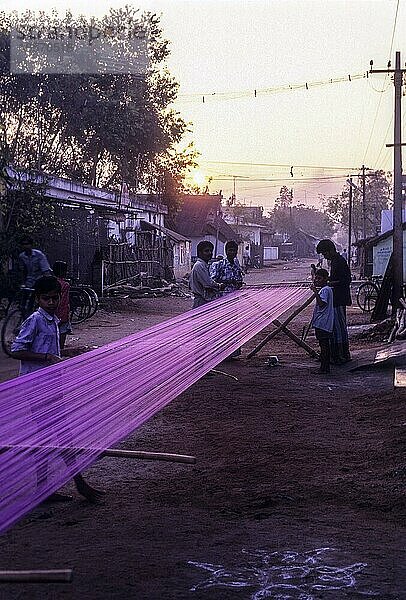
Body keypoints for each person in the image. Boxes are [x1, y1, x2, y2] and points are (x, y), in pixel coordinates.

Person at [11, 276, 103, 503]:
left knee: (56, 436)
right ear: (37, 299)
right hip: (36, 386)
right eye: (46, 299)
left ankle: (50, 488)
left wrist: (71, 352)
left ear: (60, 297)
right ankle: (76, 484)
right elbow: (16, 350)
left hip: (51, 385)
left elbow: (53, 351)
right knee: (56, 436)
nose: (51, 302)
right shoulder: (35, 320)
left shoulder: (53, 320)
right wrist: (46, 357)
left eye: (54, 298)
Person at [316, 239, 352, 364]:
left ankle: (340, 355)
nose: (325, 257)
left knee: (338, 327)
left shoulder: (339, 261)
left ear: (331, 250)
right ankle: (339, 354)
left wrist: (328, 283)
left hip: (339, 298)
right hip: (336, 298)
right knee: (337, 327)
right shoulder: (335, 261)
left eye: (325, 254)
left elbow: (346, 280)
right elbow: (337, 278)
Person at [210, 240, 244, 358]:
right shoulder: (219, 265)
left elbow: (239, 277)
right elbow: (213, 281)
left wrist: (239, 283)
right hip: (222, 299)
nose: (232, 253)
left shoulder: (236, 264)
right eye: (230, 250)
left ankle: (232, 353)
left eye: (234, 251)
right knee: (222, 325)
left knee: (233, 325)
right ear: (226, 251)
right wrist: (229, 281)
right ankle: (220, 352)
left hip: (234, 299)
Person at [18, 236, 52, 317]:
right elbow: (23, 270)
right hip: (29, 279)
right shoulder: (22, 256)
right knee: (23, 300)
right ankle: (23, 316)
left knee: (33, 300)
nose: (25, 246)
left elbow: (45, 270)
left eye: (27, 244)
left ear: (31, 245)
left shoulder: (39, 255)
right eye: (23, 244)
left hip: (39, 279)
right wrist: (22, 282)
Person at [310, 268, 334, 374]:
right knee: (324, 345)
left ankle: (324, 368)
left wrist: (315, 292)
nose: (317, 280)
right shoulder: (327, 289)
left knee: (324, 345)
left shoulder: (324, 290)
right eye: (316, 278)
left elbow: (322, 304)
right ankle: (325, 367)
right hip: (325, 322)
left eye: (319, 278)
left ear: (325, 279)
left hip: (322, 322)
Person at [190, 241, 224, 308]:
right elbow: (208, 284)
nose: (210, 253)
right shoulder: (199, 266)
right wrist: (219, 286)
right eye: (206, 251)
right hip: (201, 301)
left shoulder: (205, 265)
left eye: (211, 251)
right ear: (200, 253)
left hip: (205, 300)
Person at [52, 261, 72, 349]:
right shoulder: (65, 285)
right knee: (62, 335)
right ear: (62, 272)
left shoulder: (50, 282)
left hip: (50, 314)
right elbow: (63, 302)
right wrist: (62, 317)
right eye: (65, 271)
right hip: (61, 315)